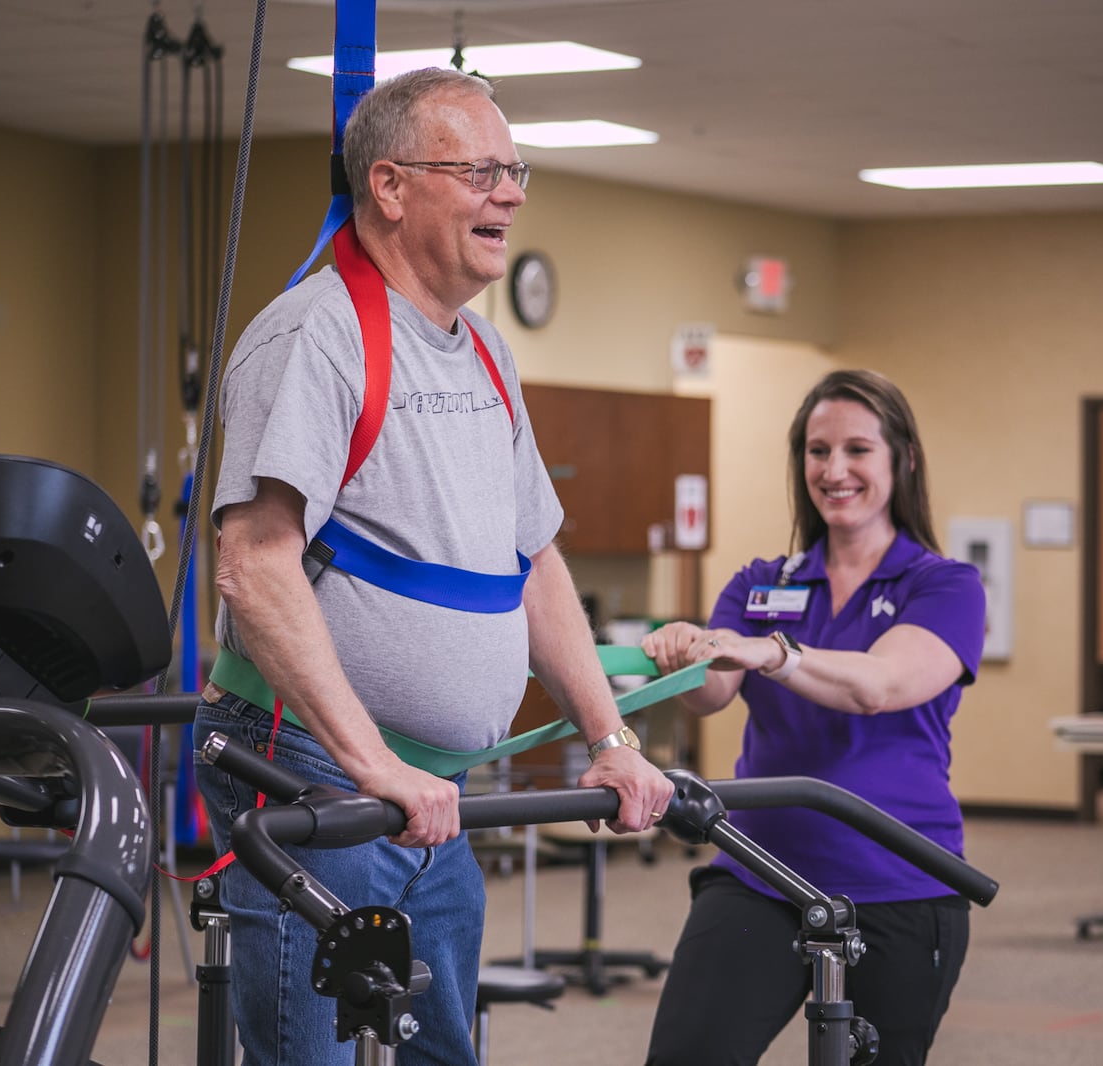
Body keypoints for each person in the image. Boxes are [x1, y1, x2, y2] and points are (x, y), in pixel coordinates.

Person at [193, 67, 673, 1066]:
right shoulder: (314, 338)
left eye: (515, 169)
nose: (511, 192)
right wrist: (374, 765)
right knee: (311, 1055)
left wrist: (612, 735)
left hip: (438, 793)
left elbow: (532, 559)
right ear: (391, 186)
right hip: (319, 774)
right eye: (481, 170)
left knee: (437, 1051)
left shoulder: (487, 352)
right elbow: (254, 563)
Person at [640, 369, 985, 1066]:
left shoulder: (944, 586)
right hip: (760, 872)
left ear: (903, 459)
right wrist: (684, 658)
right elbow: (712, 694)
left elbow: (880, 686)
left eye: (858, 450)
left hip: (900, 884)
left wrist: (773, 653)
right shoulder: (763, 584)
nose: (835, 471)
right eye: (817, 451)